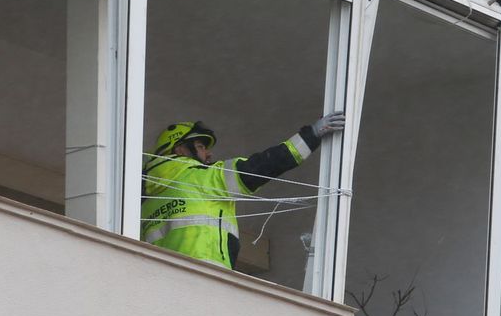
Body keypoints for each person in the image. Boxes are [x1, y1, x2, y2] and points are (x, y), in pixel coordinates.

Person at [142, 113, 349, 270]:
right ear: (180, 149)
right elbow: (263, 166)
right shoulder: (203, 177)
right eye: (201, 146)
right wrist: (311, 135)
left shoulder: (143, 200)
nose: (208, 153)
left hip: (163, 288)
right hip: (206, 276)